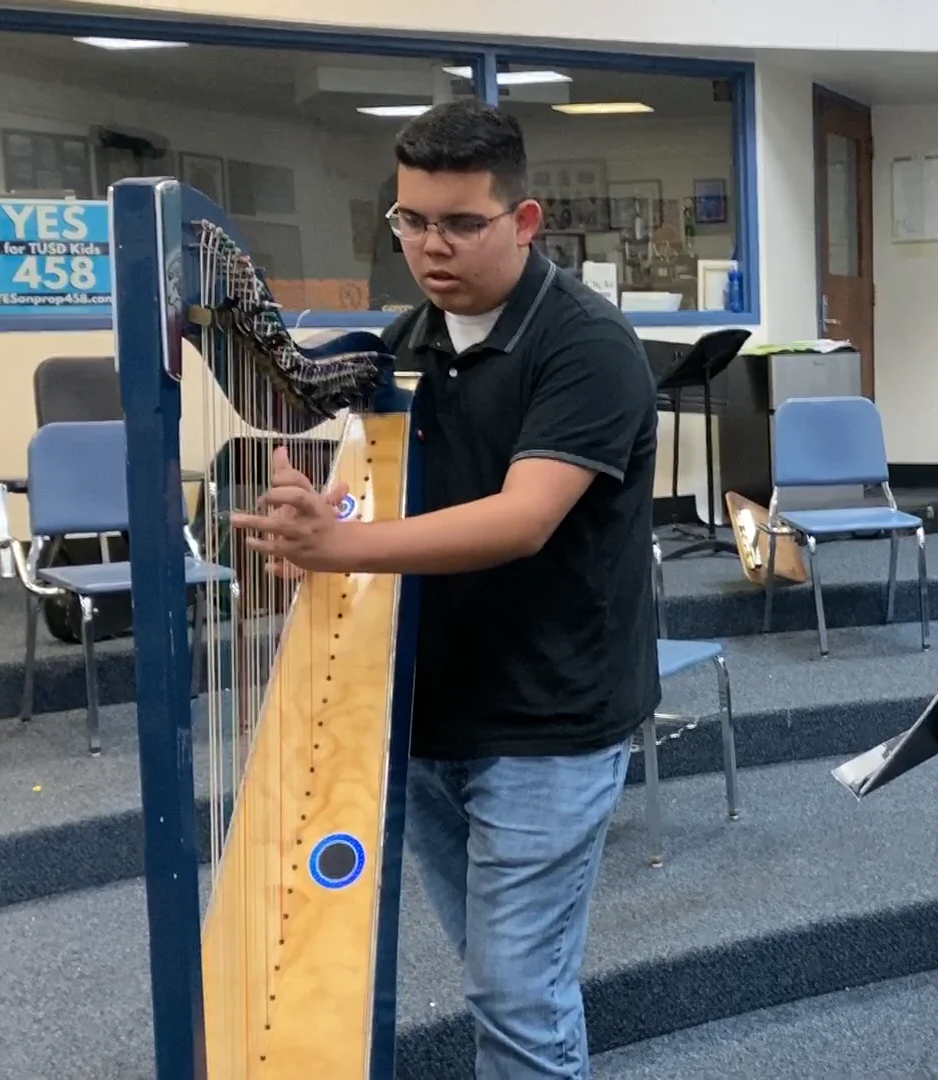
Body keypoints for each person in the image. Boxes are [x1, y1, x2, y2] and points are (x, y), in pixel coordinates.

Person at [232, 99, 660, 1079]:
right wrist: (316, 514)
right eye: (411, 221)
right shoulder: (405, 341)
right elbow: (369, 496)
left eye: (460, 222)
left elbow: (524, 518)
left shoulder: (587, 346)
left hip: (550, 718)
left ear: (524, 220)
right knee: (506, 976)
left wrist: (344, 549)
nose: (431, 245)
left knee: (514, 991)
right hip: (426, 712)